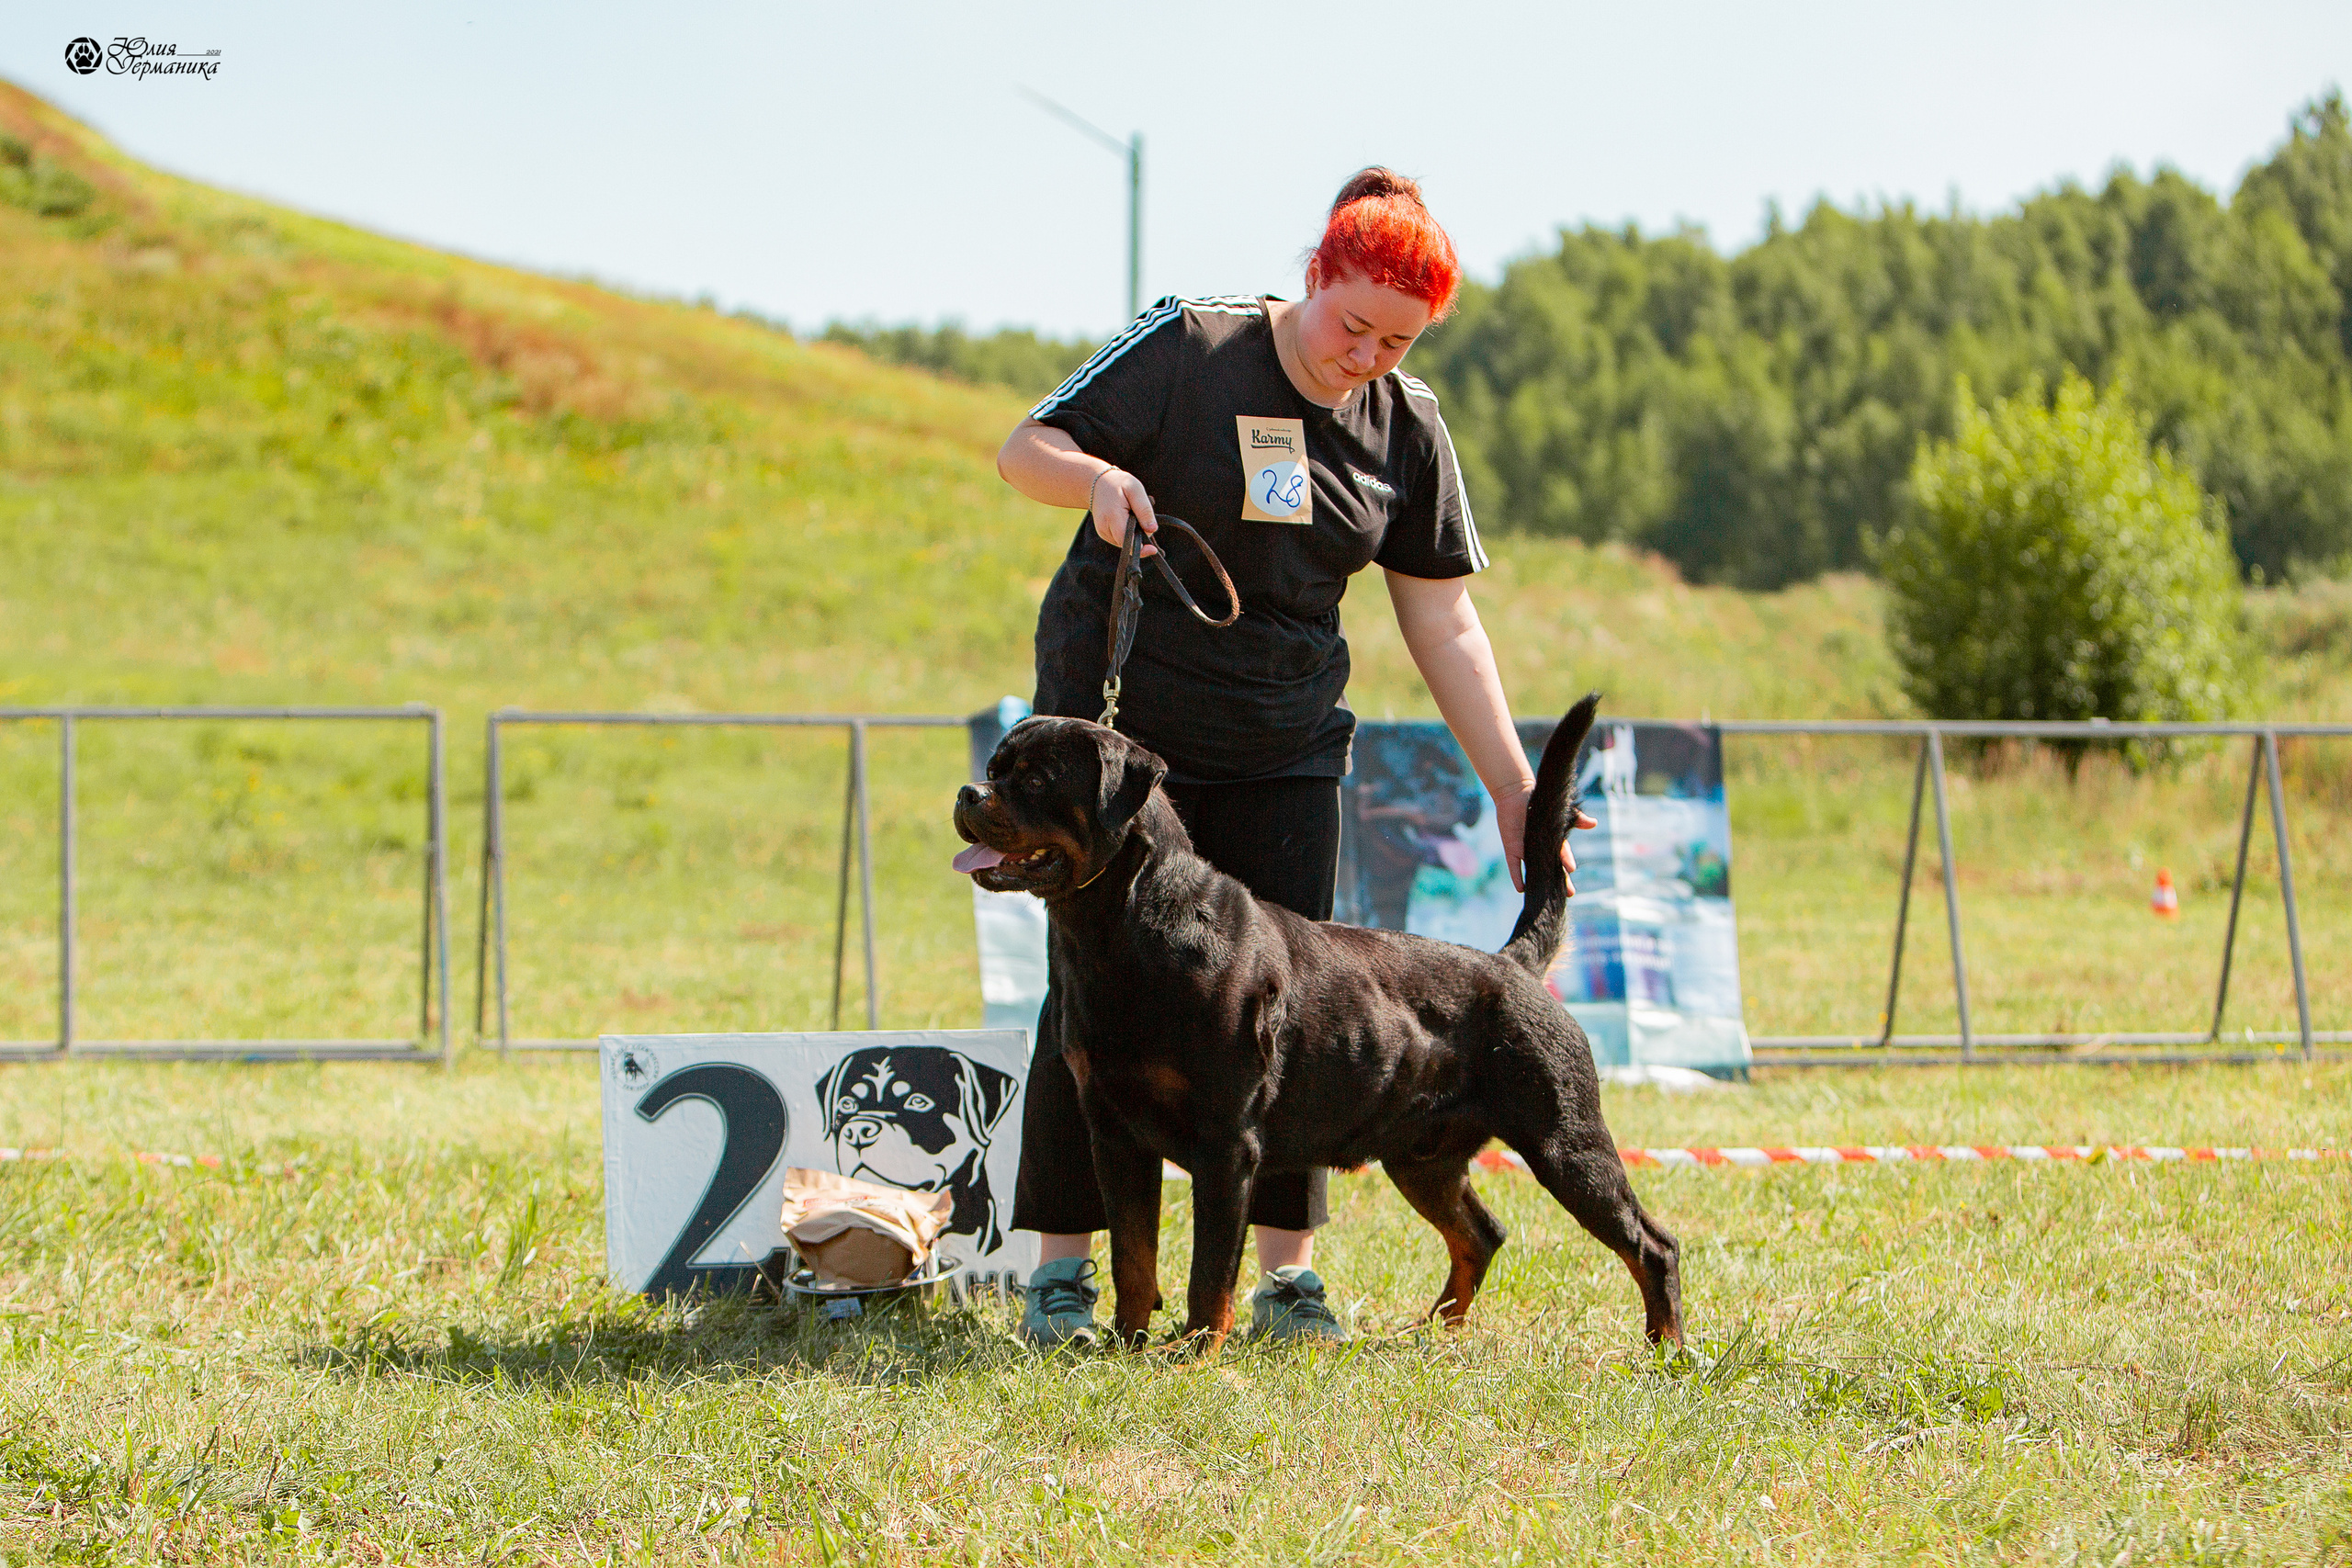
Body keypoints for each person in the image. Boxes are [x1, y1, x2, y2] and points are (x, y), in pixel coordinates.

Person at [994, 168, 1587, 1348]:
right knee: (1091, 1002)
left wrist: (1515, 787)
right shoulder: (1191, 344)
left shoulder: (1405, 424)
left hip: (1285, 740)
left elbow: (1442, 621)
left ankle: (1286, 1285)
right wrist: (1103, 481)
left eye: (1395, 339)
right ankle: (1062, 1280)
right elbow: (1025, 447)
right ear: (1315, 275)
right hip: (1123, 755)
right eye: (1349, 321)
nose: (1362, 353)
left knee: (1282, 1012)